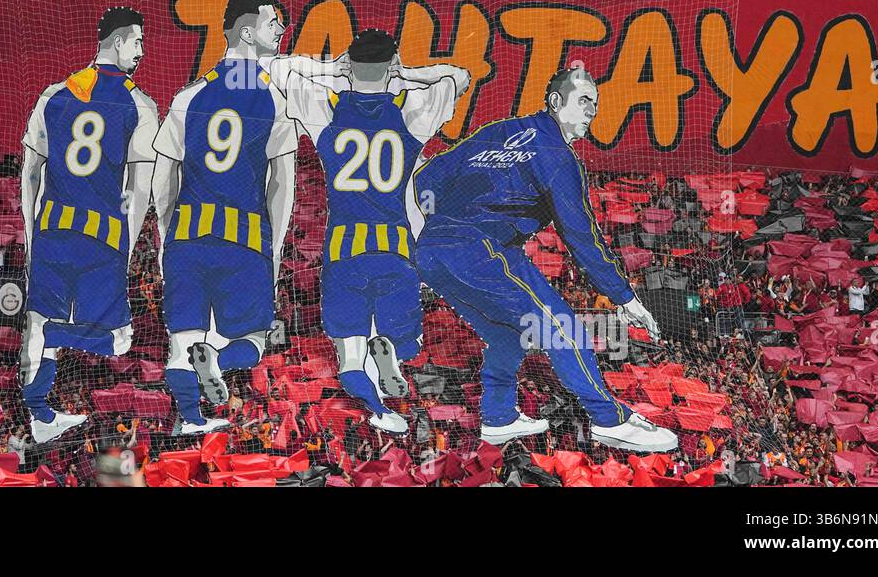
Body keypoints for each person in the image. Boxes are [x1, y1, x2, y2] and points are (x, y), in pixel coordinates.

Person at [411, 66, 676, 452]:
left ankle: (498, 417)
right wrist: (624, 298)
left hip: (434, 253)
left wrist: (423, 236)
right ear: (555, 101)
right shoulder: (557, 157)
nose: (592, 111)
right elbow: (581, 237)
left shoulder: (498, 132)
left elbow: (427, 179)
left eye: (596, 104)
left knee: (509, 333)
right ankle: (609, 420)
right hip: (480, 250)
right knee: (563, 328)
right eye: (584, 100)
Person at [285, 29, 469, 434]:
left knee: (349, 360)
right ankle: (395, 351)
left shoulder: (323, 108)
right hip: (396, 249)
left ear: (351, 65)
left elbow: (283, 72)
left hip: (342, 251)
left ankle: (381, 412)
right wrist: (406, 75)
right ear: (393, 64)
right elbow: (459, 76)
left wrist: (334, 71)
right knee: (408, 341)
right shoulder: (414, 110)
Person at [151, 0, 309, 435]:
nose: (280, 30)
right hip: (244, 240)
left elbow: (163, 180)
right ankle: (218, 359)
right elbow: (282, 186)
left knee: (180, 343)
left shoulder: (189, 95)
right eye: (273, 22)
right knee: (255, 341)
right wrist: (273, 249)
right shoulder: (274, 100)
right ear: (245, 31)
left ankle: (188, 420)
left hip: (187, 237)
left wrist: (168, 234)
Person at [18, 6, 159, 444]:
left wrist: (29, 234)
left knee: (40, 323)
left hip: (52, 231)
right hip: (101, 237)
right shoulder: (139, 105)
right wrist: (128, 248)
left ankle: (39, 413)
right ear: (117, 42)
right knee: (119, 340)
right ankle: (44, 411)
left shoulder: (53, 95)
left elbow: (30, 173)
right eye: (137, 42)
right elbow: (138, 192)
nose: (141, 51)